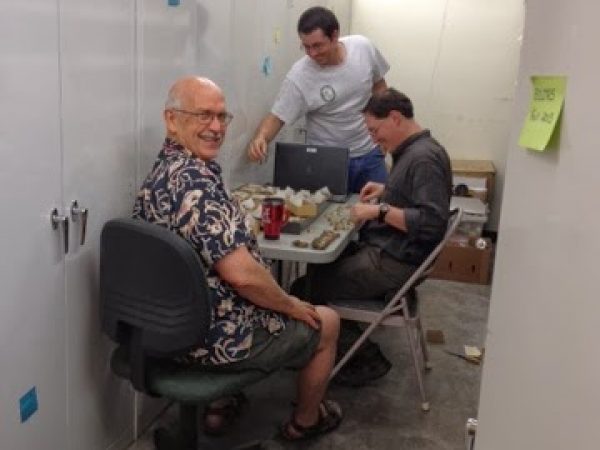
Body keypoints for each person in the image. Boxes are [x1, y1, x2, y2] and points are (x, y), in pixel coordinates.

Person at [132, 76, 342, 440]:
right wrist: (290, 304)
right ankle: (305, 423)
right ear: (171, 119)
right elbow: (242, 277)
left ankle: (220, 405)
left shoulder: (164, 172)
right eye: (203, 116)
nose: (215, 128)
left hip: (166, 326)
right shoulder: (195, 183)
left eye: (221, 117)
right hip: (210, 337)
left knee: (244, 295)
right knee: (327, 321)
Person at [293, 88, 452, 386]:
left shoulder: (423, 159)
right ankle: (340, 345)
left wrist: (378, 211)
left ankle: (360, 357)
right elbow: (414, 201)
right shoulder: (416, 151)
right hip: (394, 253)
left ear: (395, 118)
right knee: (322, 267)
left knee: (304, 288)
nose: (374, 138)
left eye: (375, 130)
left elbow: (431, 223)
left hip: (394, 262)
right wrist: (387, 192)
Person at [247, 6, 390, 193]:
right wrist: (261, 138)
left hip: (370, 153)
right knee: (331, 215)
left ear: (335, 36)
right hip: (327, 161)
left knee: (381, 211)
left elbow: (380, 88)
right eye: (306, 46)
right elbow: (277, 116)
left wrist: (386, 134)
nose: (312, 53)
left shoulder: (363, 48)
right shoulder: (300, 76)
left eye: (317, 45)